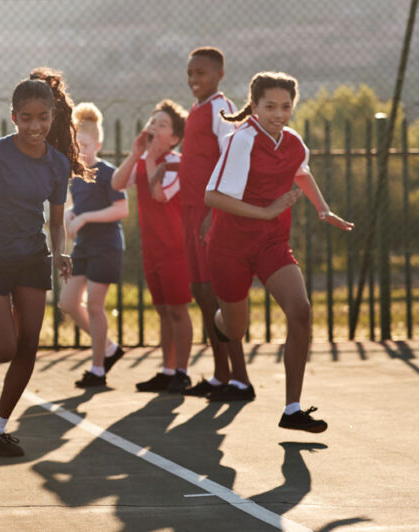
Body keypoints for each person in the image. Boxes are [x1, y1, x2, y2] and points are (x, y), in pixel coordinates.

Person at [0, 67, 86, 457]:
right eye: (26, 118)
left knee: (28, 347)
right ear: (13, 118)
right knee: (5, 349)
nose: (35, 125)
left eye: (43, 117)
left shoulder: (57, 165)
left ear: (53, 117)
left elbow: (56, 222)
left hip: (30, 257)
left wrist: (59, 250)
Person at [205, 71, 353, 432]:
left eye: (286, 106)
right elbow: (213, 196)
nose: (278, 113)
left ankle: (292, 409)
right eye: (269, 106)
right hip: (229, 248)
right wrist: (267, 210)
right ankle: (221, 321)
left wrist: (322, 207)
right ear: (253, 106)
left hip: (272, 242)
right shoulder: (241, 141)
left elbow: (299, 171)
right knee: (235, 330)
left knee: (300, 311)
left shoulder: (293, 142)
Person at [178, 46, 252, 400]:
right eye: (191, 73)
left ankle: (240, 379)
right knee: (202, 294)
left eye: (201, 73)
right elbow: (199, 158)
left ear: (220, 74)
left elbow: (231, 158)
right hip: (190, 210)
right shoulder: (197, 109)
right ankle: (222, 375)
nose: (194, 79)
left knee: (219, 294)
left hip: (209, 213)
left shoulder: (221, 108)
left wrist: (214, 212)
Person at [106, 100, 194, 393]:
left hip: (176, 249)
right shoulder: (142, 161)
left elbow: (160, 195)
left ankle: (182, 371)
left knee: (178, 311)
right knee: (163, 311)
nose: (154, 128)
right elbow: (117, 183)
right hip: (152, 249)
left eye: (162, 125)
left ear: (175, 138)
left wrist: (152, 156)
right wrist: (135, 154)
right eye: (152, 122)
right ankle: (167, 370)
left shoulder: (178, 163)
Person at [57, 103, 128, 383]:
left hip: (107, 247)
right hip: (84, 247)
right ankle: (109, 348)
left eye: (85, 144)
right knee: (69, 302)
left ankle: (98, 369)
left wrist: (84, 218)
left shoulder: (108, 172)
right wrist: (72, 214)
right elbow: (78, 207)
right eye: (77, 145)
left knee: (96, 306)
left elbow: (121, 210)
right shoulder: (76, 175)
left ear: (97, 144)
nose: (81, 150)